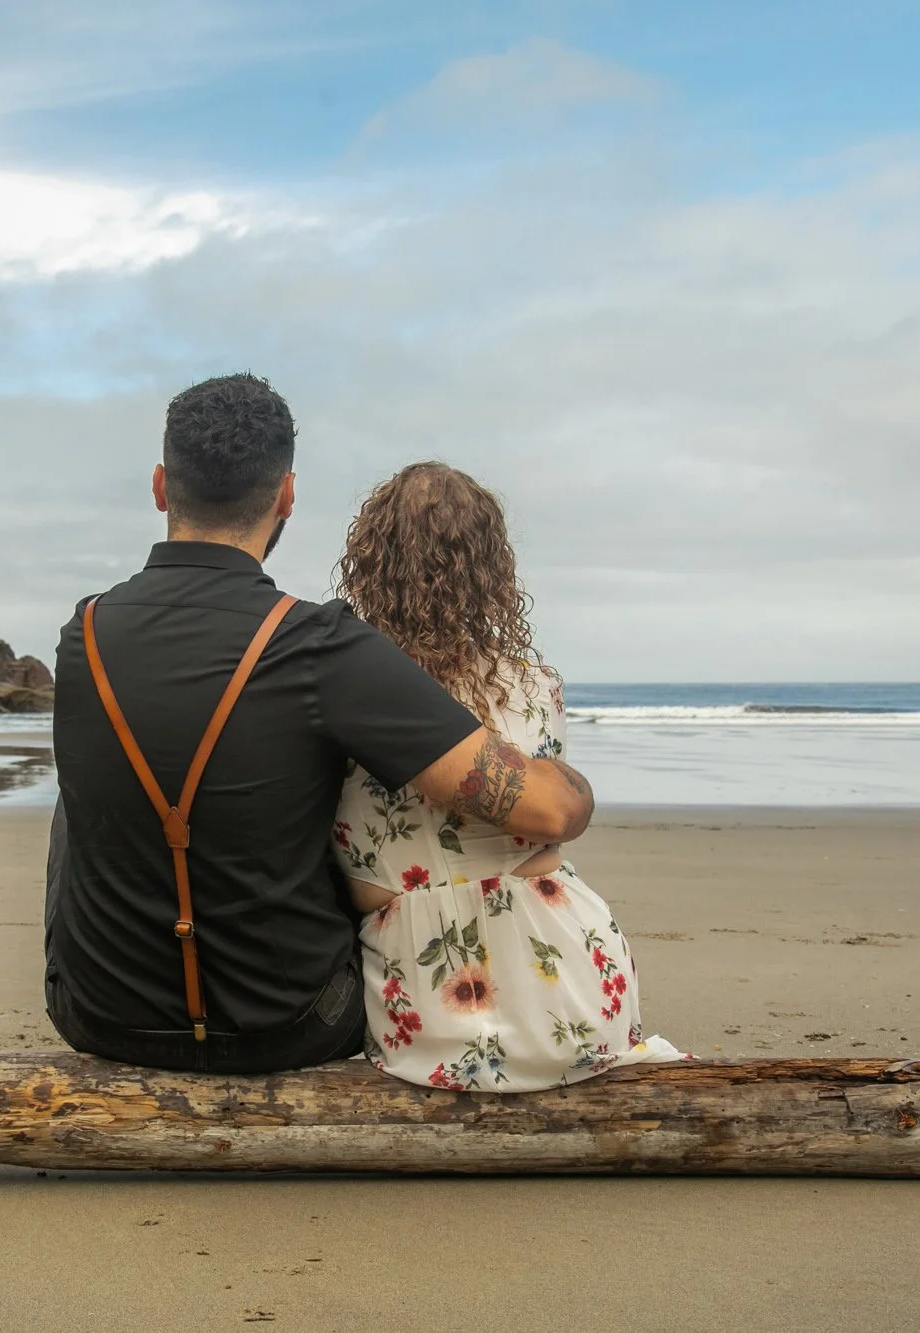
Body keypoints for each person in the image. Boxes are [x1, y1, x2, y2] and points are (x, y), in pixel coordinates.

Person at [45, 374, 595, 1074]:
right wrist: (573, 783)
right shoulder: (319, 644)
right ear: (286, 496)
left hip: (98, 1015)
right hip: (290, 1025)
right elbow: (545, 808)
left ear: (161, 485)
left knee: (81, 796)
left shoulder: (82, 632)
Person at [333, 462, 685, 1090]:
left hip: (419, 991)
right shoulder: (534, 685)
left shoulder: (339, 688)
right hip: (568, 984)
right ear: (491, 567)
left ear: (369, 563)